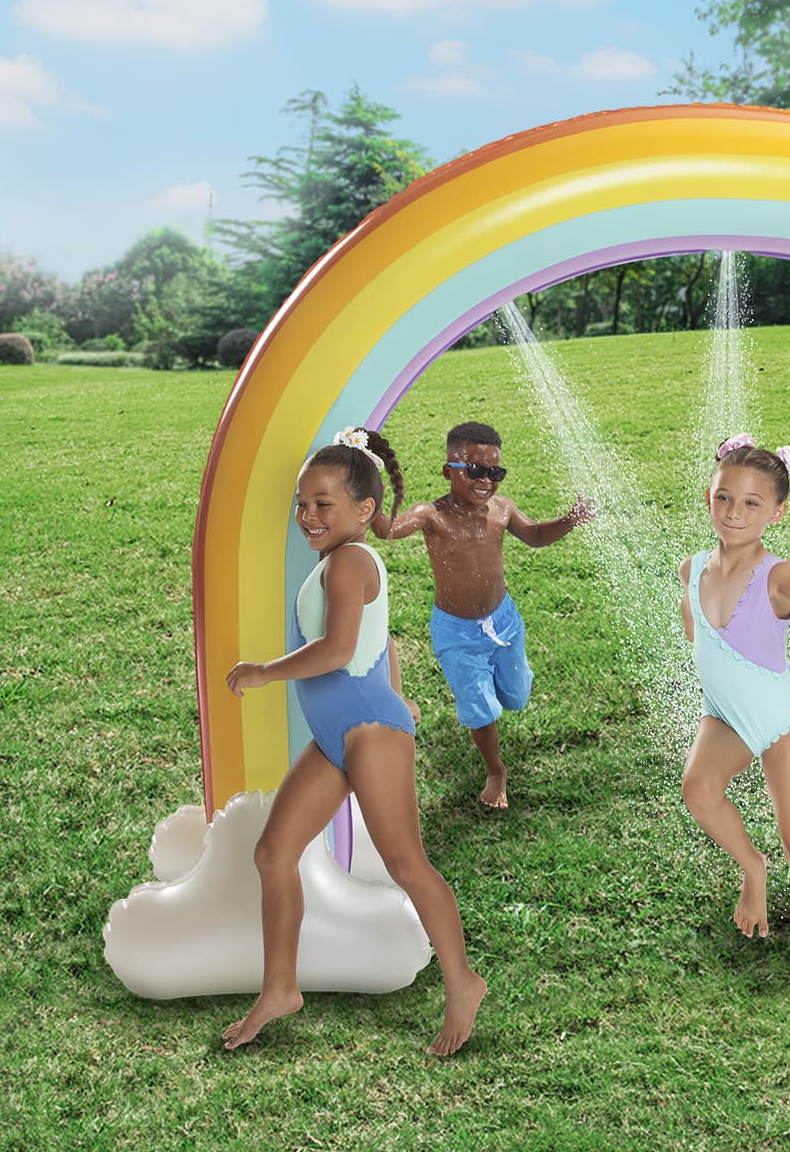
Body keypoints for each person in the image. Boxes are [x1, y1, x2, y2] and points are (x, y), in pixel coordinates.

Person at [223, 426, 486, 1054]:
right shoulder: (336, 563)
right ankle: (281, 986)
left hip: (368, 733)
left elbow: (339, 649)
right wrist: (398, 686)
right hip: (340, 734)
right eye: (303, 503)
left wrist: (265, 671)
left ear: (364, 511)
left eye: (323, 504)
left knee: (404, 862)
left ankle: (462, 981)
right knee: (272, 854)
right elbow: (379, 635)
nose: (308, 515)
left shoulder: (349, 560)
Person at [679, 433, 790, 1016]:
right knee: (699, 792)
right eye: (724, 497)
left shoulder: (779, 575)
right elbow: (698, 637)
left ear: (777, 513)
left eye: (752, 504)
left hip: (775, 720)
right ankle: (751, 868)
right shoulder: (689, 570)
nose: (734, 512)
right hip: (725, 716)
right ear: (708, 495)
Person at [372, 420, 593, 811]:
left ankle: (501, 683)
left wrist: (571, 519)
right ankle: (496, 771)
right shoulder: (431, 515)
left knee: (517, 696)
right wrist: (368, 487)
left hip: (504, 621)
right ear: (448, 471)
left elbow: (536, 536)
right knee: (481, 708)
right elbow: (387, 530)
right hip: (456, 632)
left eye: (495, 472)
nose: (485, 480)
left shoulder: (501, 510)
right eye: (474, 470)